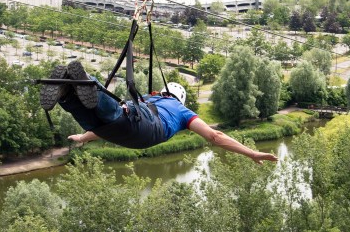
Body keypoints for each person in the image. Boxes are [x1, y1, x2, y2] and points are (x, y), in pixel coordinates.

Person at [41, 61, 278, 163]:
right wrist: (251, 153)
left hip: (136, 124)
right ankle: (68, 93)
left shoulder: (149, 99)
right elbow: (216, 137)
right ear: (180, 98)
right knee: (101, 119)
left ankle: (78, 86)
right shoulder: (183, 111)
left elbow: (124, 112)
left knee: (114, 111)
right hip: (136, 134)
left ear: (163, 92)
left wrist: (84, 138)